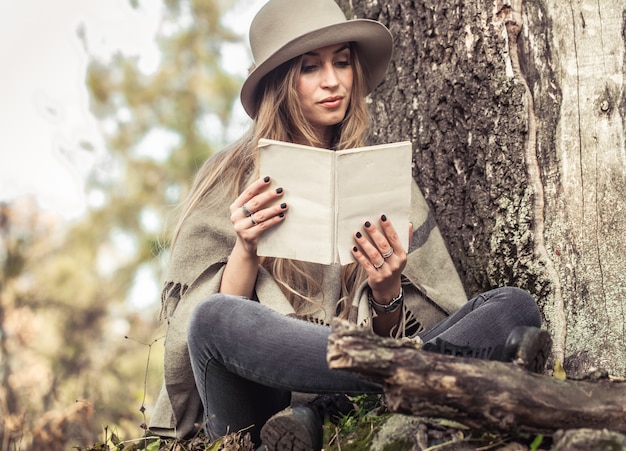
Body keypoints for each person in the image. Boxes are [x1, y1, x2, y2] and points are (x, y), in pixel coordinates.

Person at [148, 0, 552, 449]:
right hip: (256, 411)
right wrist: (246, 249)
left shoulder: (383, 178)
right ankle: (402, 379)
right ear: (281, 82)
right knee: (214, 317)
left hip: (362, 390)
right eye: (310, 67)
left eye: (342, 62)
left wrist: (386, 291)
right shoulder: (228, 177)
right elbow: (203, 344)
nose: (333, 81)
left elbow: (421, 315)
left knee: (513, 307)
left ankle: (329, 407)